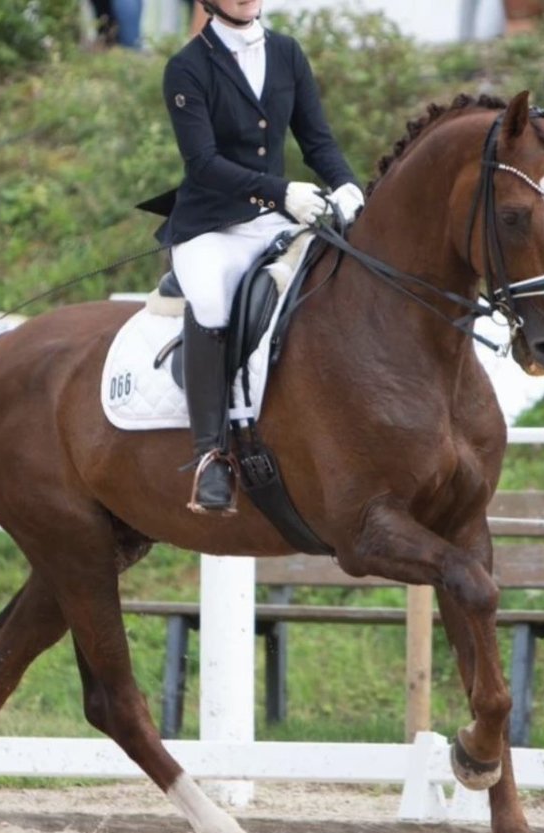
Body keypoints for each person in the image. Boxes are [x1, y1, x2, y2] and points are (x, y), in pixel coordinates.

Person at [157, 0, 364, 514]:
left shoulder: (287, 53)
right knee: (211, 304)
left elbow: (317, 141)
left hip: (276, 220)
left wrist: (347, 185)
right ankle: (210, 456)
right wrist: (280, 192)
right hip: (211, 225)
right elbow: (203, 164)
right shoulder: (187, 67)